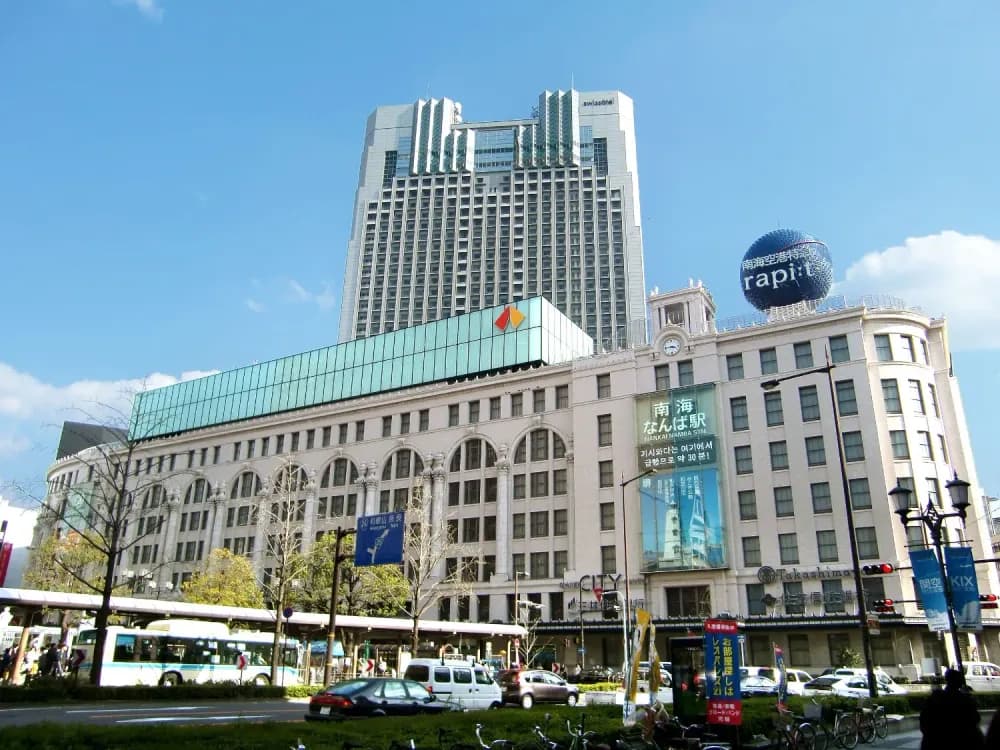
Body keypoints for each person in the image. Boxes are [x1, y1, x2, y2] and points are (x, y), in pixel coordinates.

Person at [920, 668, 983, 749]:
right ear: (959, 682)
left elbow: (924, 721)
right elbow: (975, 719)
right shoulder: (964, 700)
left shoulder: (935, 698)